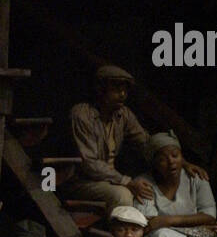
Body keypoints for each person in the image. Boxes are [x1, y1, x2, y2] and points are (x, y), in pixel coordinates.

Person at [63, 64, 207, 208]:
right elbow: (89, 163)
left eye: (125, 90)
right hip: (83, 181)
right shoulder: (82, 114)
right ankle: (124, 230)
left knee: (151, 191)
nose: (123, 94)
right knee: (122, 196)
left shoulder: (123, 115)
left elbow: (149, 143)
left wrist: (183, 163)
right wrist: (127, 182)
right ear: (100, 89)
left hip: (111, 180)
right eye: (117, 89)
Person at [133, 131, 217, 237]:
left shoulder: (196, 177)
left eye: (175, 155)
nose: (171, 161)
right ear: (154, 163)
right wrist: (195, 227)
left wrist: (167, 221)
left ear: (182, 157)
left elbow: (209, 216)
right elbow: (149, 224)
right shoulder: (144, 184)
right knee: (161, 235)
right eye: (162, 159)